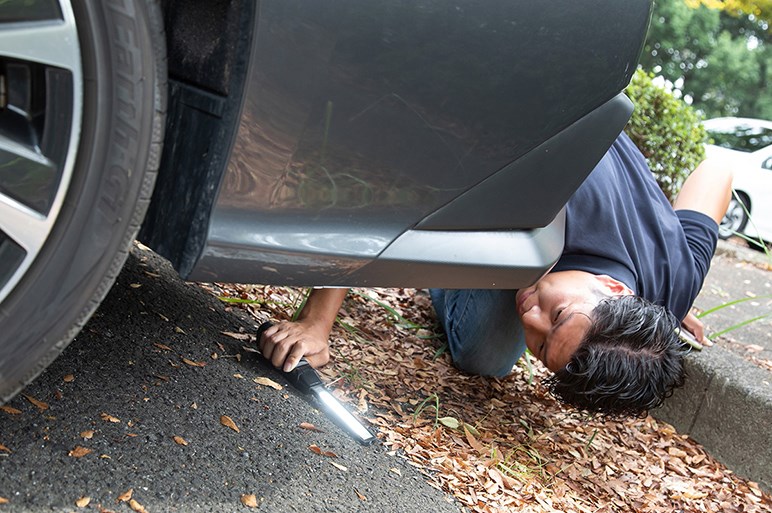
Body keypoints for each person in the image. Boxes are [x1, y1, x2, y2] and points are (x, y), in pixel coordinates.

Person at [258, 131, 733, 416]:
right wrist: (319, 321)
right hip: (529, 159)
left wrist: (674, 303)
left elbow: (718, 171)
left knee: (492, 356)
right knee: (488, 350)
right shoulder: (547, 185)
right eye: (559, 315)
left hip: (538, 219)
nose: (531, 318)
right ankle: (445, 256)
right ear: (612, 287)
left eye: (543, 348)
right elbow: (385, 177)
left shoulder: (669, 290)